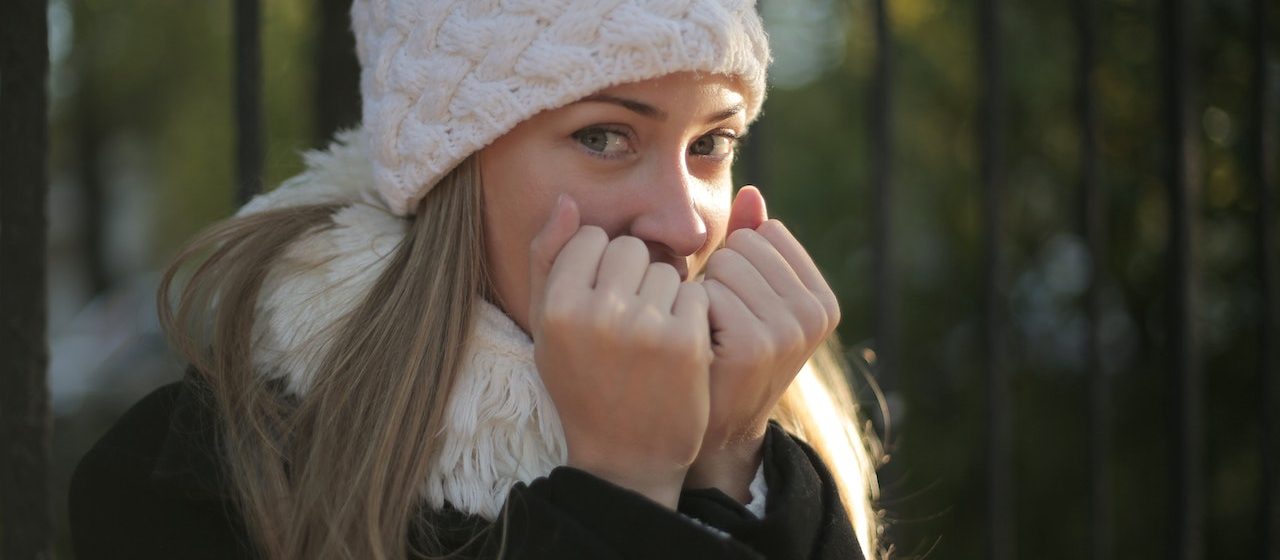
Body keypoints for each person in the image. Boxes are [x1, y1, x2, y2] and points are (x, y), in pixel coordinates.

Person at [69, 1, 885, 558]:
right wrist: (622, 491)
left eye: (711, 142)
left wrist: (727, 465)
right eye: (604, 135)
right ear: (452, 166)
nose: (684, 223)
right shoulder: (195, 478)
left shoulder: (782, 430)